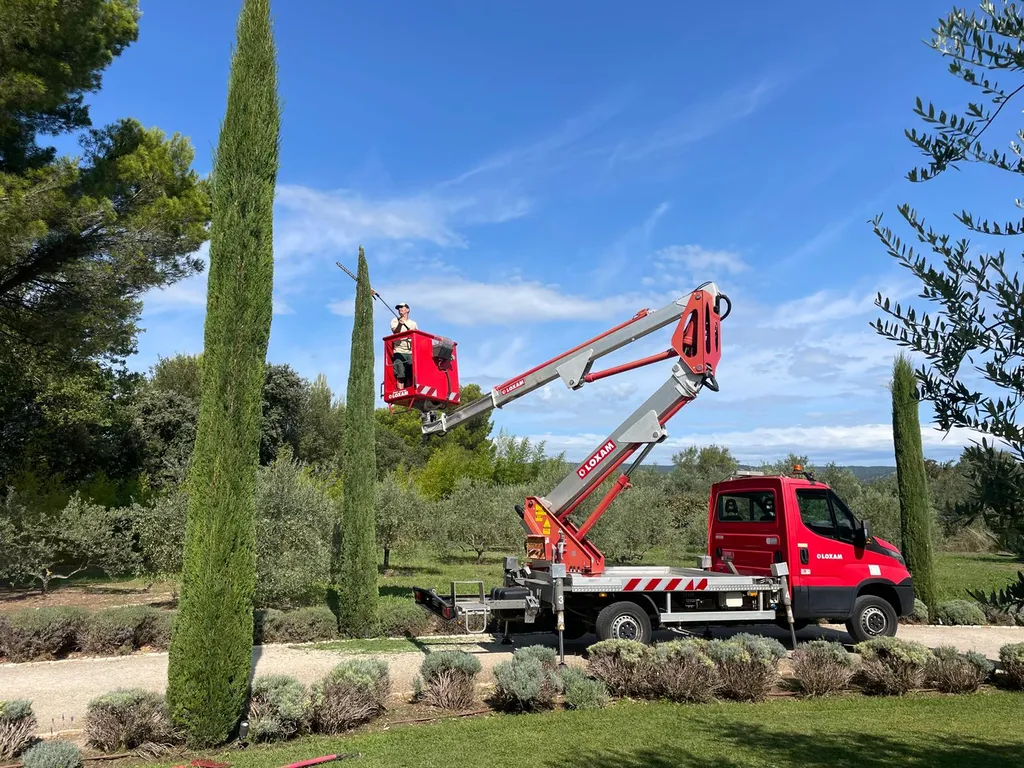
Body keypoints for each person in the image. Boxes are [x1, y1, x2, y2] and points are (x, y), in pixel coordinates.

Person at [390, 302, 417, 387]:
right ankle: (401, 394)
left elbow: (416, 337)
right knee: (400, 375)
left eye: (402, 307)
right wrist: (399, 324)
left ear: (408, 310)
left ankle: (408, 394)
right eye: (399, 308)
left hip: (410, 352)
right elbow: (395, 331)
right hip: (399, 351)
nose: (400, 309)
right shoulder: (395, 320)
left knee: (409, 376)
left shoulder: (413, 323)